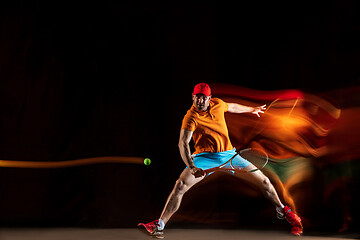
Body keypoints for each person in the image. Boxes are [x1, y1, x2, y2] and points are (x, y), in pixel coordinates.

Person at [138, 83, 303, 238]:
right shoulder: (191, 117)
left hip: (229, 156)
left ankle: (284, 211)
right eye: (197, 97)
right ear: (192, 97)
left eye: (204, 97)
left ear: (210, 98)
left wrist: (251, 110)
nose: (200, 100)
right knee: (180, 185)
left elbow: (232, 106)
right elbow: (183, 143)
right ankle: (159, 225)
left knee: (265, 182)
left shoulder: (218, 104)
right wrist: (192, 166)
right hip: (204, 158)